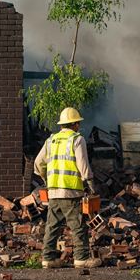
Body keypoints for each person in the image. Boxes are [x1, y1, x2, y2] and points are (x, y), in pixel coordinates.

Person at [34, 107, 102, 269]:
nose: (79, 126)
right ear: (75, 124)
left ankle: (48, 258)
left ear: (62, 125)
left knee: (52, 226)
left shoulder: (51, 141)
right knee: (77, 225)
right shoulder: (77, 140)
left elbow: (38, 164)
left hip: (54, 191)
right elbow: (83, 166)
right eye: (78, 123)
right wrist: (91, 184)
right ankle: (81, 258)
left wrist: (46, 178)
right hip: (71, 191)